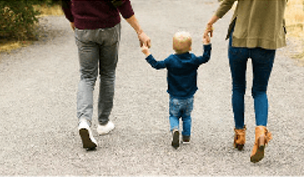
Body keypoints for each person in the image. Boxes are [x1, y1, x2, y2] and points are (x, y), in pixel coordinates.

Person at [204, 0, 287, 162]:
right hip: (267, 40)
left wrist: (210, 23)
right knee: (260, 90)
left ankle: (240, 136)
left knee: (238, 87)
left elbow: (227, 2)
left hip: (240, 37)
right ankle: (261, 132)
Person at [62, 0, 151, 150]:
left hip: (84, 28)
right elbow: (122, 3)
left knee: (87, 76)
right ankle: (103, 123)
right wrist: (139, 31)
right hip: (109, 27)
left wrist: (72, 19)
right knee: (108, 74)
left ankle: (84, 121)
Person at [141, 31, 211, 149]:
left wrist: (147, 53)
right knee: (187, 117)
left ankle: (175, 130)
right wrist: (206, 45)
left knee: (173, 116)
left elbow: (157, 65)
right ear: (190, 47)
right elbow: (205, 58)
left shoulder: (171, 60)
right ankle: (186, 137)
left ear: (173, 47)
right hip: (189, 96)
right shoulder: (193, 59)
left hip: (174, 96)